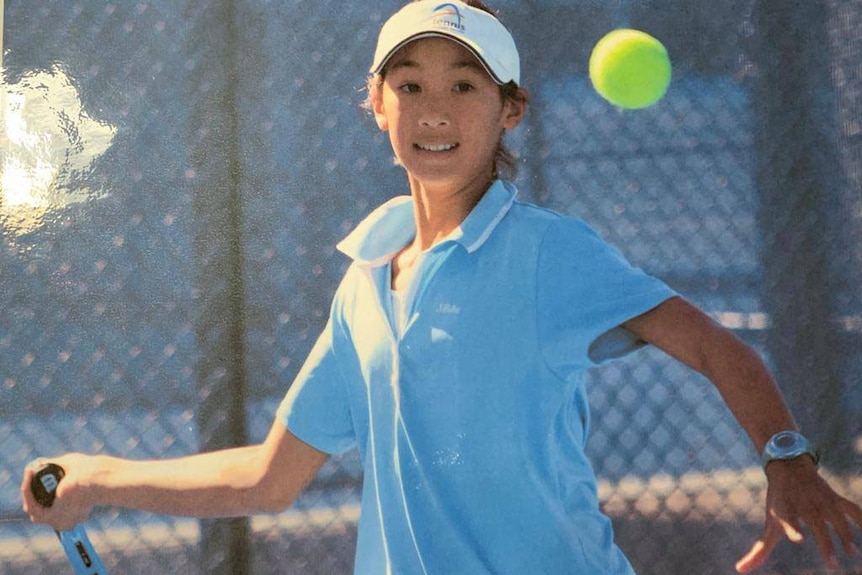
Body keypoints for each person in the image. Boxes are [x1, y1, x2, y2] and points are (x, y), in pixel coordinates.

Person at [22, 1, 861, 573]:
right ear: (377, 107)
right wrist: (101, 476)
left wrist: (785, 453)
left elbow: (714, 344)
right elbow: (270, 478)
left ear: (510, 112)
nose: (435, 108)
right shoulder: (363, 282)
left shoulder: (549, 253)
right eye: (410, 85)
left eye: (465, 86)